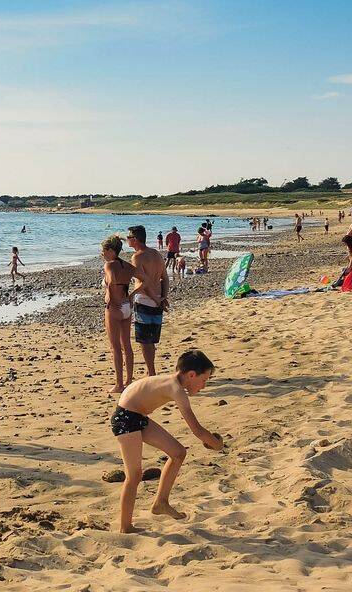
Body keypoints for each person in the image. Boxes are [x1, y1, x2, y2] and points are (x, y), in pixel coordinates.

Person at [112, 349, 223, 534]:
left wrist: (211, 440)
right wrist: (217, 444)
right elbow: (196, 430)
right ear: (191, 374)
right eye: (204, 380)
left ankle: (161, 503)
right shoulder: (176, 389)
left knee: (178, 453)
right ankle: (125, 527)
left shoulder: (174, 384)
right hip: (125, 418)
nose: (203, 386)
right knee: (134, 475)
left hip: (138, 416)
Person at [126, 225, 168, 376]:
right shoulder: (156, 254)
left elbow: (144, 284)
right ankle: (152, 371)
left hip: (145, 301)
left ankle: (151, 373)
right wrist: (163, 297)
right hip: (157, 299)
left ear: (135, 239)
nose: (127, 240)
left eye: (129, 237)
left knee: (145, 341)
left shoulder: (137, 257)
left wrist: (156, 299)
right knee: (151, 339)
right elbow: (165, 277)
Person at [102, 235, 140, 393]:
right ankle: (129, 380)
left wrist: (110, 296)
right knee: (127, 345)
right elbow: (144, 280)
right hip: (126, 307)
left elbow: (110, 280)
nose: (102, 254)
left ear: (111, 251)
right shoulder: (128, 266)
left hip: (114, 308)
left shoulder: (109, 265)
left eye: (103, 251)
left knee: (115, 347)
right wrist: (132, 295)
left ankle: (119, 385)